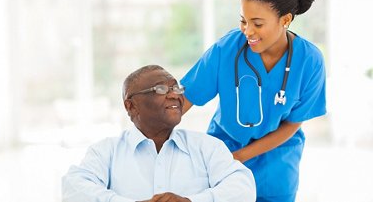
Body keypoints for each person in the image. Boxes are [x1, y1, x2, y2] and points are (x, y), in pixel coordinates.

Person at [180, 0, 326, 201]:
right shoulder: (226, 50)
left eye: (257, 24)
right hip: (223, 152)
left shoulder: (310, 61)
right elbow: (185, 98)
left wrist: (239, 156)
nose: (247, 31)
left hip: (276, 162)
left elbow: (293, 124)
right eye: (243, 21)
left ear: (285, 19)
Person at [62, 65, 256, 202]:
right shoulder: (106, 151)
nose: (174, 94)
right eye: (161, 89)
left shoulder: (206, 147)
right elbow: (74, 190)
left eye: (176, 87)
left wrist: (191, 201)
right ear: (131, 106)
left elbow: (243, 188)